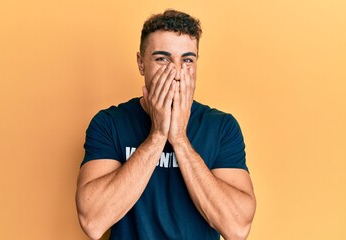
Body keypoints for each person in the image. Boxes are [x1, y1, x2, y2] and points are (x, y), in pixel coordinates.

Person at [76, 9, 256, 240]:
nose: (177, 73)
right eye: (162, 59)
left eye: (187, 60)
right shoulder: (109, 123)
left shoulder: (221, 127)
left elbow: (237, 228)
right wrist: (158, 135)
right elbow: (93, 222)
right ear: (141, 64)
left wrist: (179, 138)